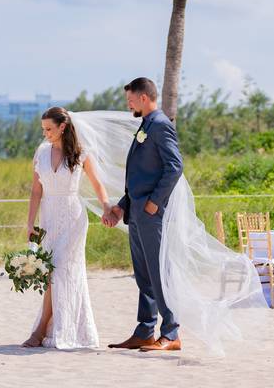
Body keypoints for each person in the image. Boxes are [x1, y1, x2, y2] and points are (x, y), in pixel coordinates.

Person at [21, 106, 113, 349]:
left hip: (73, 218)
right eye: (43, 129)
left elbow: (97, 185)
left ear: (63, 127)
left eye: (49, 129)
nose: (46, 134)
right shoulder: (40, 153)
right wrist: (30, 223)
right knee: (51, 272)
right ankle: (59, 328)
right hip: (48, 217)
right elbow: (36, 190)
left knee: (60, 270)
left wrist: (106, 207)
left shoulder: (80, 154)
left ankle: (40, 330)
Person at [103, 77, 184, 352]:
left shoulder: (160, 126)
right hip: (136, 212)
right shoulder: (145, 125)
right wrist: (123, 206)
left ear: (145, 98)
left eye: (131, 100)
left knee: (159, 272)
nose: (128, 105)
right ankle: (145, 331)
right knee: (143, 275)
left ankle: (171, 333)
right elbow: (140, 177)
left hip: (151, 214)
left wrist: (154, 203)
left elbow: (174, 167)